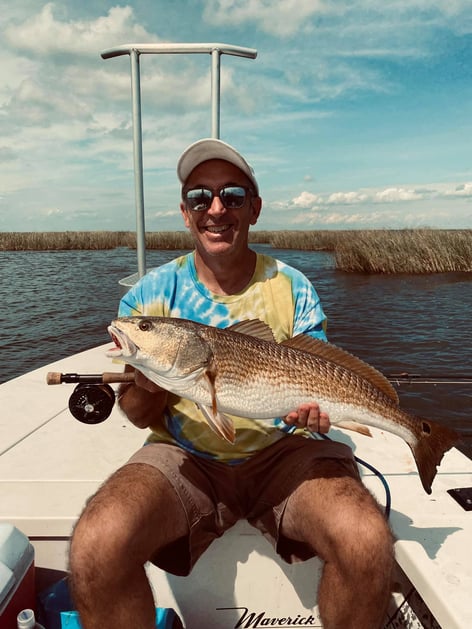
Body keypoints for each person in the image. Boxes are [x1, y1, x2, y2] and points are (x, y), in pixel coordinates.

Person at [69, 138, 394, 628]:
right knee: (97, 541)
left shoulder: (292, 286)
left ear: (254, 209)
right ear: (184, 212)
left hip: (287, 451)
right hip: (186, 456)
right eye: (200, 197)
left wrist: (316, 413)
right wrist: (154, 381)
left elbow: (318, 367)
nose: (215, 209)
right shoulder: (148, 297)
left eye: (233, 196)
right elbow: (136, 415)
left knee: (366, 539)